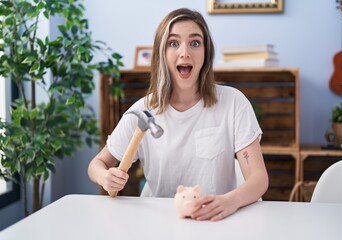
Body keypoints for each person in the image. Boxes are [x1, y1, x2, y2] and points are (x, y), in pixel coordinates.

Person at [88, 8, 268, 221]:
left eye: (195, 43)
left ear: (206, 53)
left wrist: (231, 201)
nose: (185, 52)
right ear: (161, 54)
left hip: (218, 220)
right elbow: (96, 165)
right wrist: (104, 177)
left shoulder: (233, 102)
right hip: (161, 223)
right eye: (173, 43)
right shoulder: (142, 112)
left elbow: (258, 179)